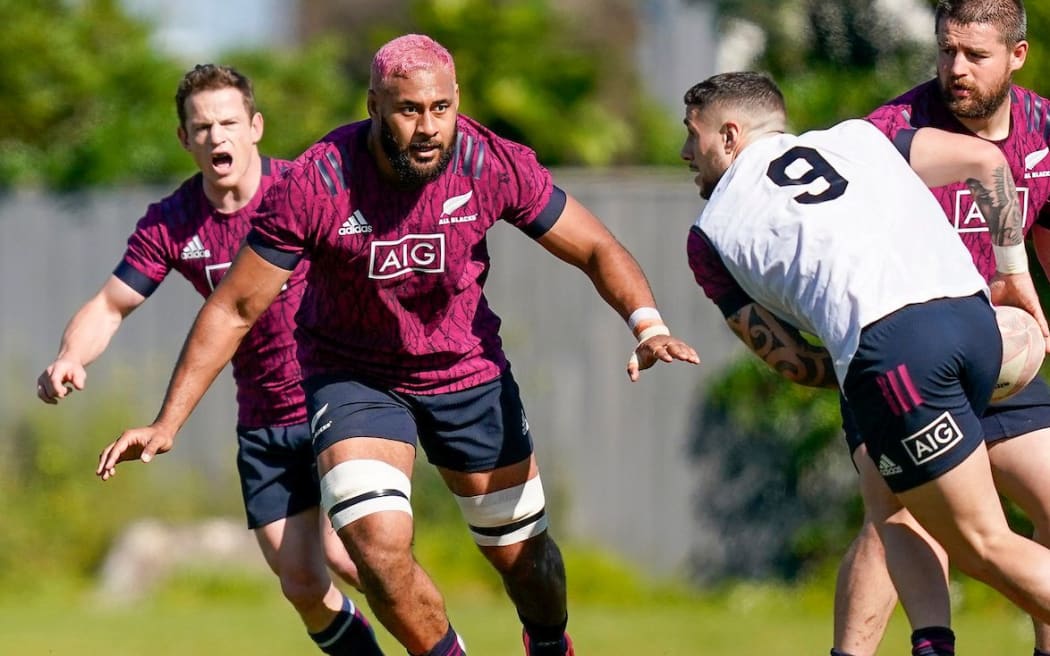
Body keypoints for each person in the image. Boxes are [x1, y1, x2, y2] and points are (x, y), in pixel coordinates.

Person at [95, 34, 699, 656]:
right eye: (409, 109)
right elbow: (236, 306)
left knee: (525, 563)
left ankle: (549, 644)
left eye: (441, 107)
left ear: (456, 100)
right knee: (376, 549)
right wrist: (169, 420)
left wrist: (647, 324)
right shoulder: (318, 180)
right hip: (355, 376)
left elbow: (596, 246)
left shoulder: (489, 161)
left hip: (467, 370)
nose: (429, 126)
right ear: (374, 106)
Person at [679, 70, 1050, 655]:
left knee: (983, 543)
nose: (685, 153)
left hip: (894, 349)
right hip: (974, 317)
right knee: (889, 500)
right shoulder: (860, 137)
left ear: (729, 136)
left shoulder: (710, 233)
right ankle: (930, 645)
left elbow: (794, 364)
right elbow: (990, 163)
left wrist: (865, 371)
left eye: (691, 135)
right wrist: (1012, 273)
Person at [37, 64, 384, 656]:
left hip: (338, 398)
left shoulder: (304, 189)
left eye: (228, 122)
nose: (217, 137)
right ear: (185, 139)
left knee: (349, 554)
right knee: (301, 583)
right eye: (202, 127)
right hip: (264, 419)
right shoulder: (173, 222)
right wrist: (70, 355)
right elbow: (110, 305)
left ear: (255, 127)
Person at [833, 1, 1050, 654]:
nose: (956, 68)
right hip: (902, 354)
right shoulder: (891, 134)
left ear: (1017, 55)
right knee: (904, 514)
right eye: (947, 51)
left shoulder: (1043, 129)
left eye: (975, 55)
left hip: (999, 351)